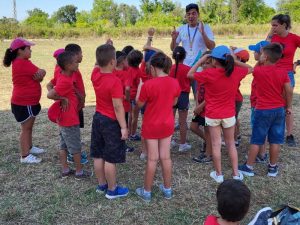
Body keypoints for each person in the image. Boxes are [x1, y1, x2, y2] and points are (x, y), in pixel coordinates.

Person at [188, 45, 252, 183]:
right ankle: (235, 174)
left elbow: (190, 74)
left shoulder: (209, 74)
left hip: (212, 114)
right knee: (230, 144)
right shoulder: (235, 72)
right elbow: (251, 68)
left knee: (216, 144)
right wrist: (233, 61)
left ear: (214, 61)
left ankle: (219, 174)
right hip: (229, 114)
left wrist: (201, 60)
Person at [238, 43, 293, 178]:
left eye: (262, 54)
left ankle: (249, 166)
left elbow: (250, 70)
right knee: (275, 140)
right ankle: (272, 168)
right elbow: (288, 90)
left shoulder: (259, 71)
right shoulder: (282, 72)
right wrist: (289, 106)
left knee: (257, 139)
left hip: (262, 110)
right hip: (279, 110)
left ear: (266, 57)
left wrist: (259, 63)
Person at [135, 52, 181, 202]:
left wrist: (140, 88)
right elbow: (174, 103)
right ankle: (167, 190)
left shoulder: (148, 85)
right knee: (166, 157)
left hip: (151, 126)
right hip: (167, 124)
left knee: (152, 159)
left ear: (154, 68)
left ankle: (146, 192)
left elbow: (139, 104)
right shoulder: (175, 82)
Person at [90, 44, 129, 199]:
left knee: (98, 154)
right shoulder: (114, 81)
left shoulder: (95, 75)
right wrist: (123, 127)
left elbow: (96, 65)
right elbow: (118, 106)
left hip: (97, 118)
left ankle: (102, 185)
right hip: (111, 121)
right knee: (110, 158)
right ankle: (112, 190)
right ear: (113, 62)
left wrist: (107, 47)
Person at [47, 51, 91, 179]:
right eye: (75, 62)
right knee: (75, 147)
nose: (78, 63)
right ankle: (79, 172)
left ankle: (65, 169)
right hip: (70, 119)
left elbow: (51, 86)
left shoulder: (63, 75)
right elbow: (50, 94)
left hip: (64, 119)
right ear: (67, 65)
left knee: (63, 145)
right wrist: (62, 98)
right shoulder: (65, 80)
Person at [3, 37, 46, 163]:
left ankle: (30, 147)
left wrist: (40, 76)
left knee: (28, 127)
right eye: (28, 48)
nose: (31, 50)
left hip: (27, 102)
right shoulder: (23, 63)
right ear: (20, 51)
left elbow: (37, 77)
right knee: (26, 129)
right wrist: (42, 72)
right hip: (24, 103)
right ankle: (25, 155)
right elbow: (40, 73)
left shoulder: (22, 61)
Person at [267, 14, 300, 147]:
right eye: (272, 25)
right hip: (272, 73)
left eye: (275, 25)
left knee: (287, 105)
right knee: (274, 104)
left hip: (287, 74)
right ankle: (275, 132)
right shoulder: (272, 37)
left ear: (284, 25)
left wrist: (296, 64)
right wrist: (270, 33)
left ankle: (289, 134)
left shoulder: (294, 38)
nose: (273, 28)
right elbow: (264, 51)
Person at [170, 3, 215, 98]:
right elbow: (173, 49)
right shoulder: (181, 29)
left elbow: (211, 47)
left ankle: (198, 112)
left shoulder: (205, 27)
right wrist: (173, 39)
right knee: (181, 96)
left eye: (193, 13)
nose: (191, 16)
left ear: (198, 14)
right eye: (188, 14)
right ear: (186, 15)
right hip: (184, 69)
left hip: (199, 68)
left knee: (199, 96)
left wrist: (203, 34)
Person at [248, 40, 270, 163]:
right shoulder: (267, 66)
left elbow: (251, 71)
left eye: (255, 51)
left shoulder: (261, 68)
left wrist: (260, 59)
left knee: (259, 130)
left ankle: (261, 154)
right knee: (263, 130)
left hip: (258, 104)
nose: (253, 54)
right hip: (262, 104)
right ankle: (262, 153)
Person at [191, 51, 213, 163]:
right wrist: (196, 105)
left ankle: (208, 155)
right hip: (200, 107)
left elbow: (211, 95)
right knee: (193, 127)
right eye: (203, 63)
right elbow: (197, 90)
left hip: (207, 108)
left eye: (207, 63)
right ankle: (210, 143)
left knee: (208, 130)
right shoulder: (202, 74)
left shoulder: (213, 76)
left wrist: (201, 106)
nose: (204, 65)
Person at [169, 46, 192, 152]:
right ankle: (182, 144)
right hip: (183, 96)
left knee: (170, 120)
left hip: (172, 95)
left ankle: (170, 141)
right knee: (183, 122)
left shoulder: (170, 68)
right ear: (185, 56)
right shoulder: (188, 69)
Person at [114, 50, 134, 153]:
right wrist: (127, 97)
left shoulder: (112, 71)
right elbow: (127, 88)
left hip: (113, 103)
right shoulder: (126, 74)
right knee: (123, 124)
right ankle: (122, 146)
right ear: (122, 62)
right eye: (126, 60)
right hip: (124, 104)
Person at [127, 50, 144, 141]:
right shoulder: (138, 71)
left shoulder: (129, 70)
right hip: (136, 97)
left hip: (130, 97)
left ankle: (129, 132)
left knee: (130, 116)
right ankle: (133, 134)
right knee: (135, 117)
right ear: (140, 61)